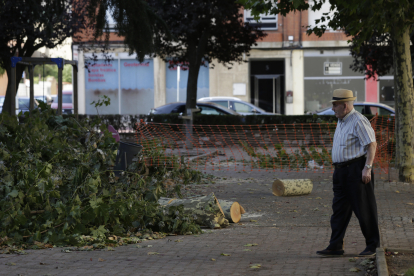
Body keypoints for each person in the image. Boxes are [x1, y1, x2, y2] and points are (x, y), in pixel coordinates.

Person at [316, 89, 380, 257]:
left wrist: (367, 168)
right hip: (341, 172)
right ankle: (335, 245)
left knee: (364, 209)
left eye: (335, 105)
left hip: (356, 170)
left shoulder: (358, 120)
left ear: (345, 105)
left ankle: (373, 246)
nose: (332, 108)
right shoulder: (342, 120)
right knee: (339, 210)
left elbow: (371, 145)